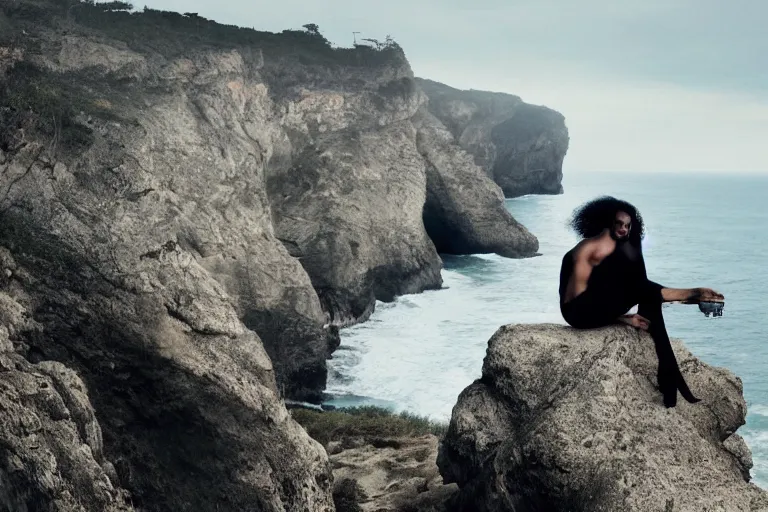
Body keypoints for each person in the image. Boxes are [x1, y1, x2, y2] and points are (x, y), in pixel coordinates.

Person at [558, 196, 724, 407]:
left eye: (628, 226)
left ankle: (668, 372)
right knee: (641, 291)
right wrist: (615, 311)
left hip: (602, 306)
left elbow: (640, 284)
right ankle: (690, 295)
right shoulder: (588, 249)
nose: (623, 229)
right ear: (608, 222)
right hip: (577, 311)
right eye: (619, 224)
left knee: (648, 299)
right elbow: (574, 301)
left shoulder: (627, 245)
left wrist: (618, 311)